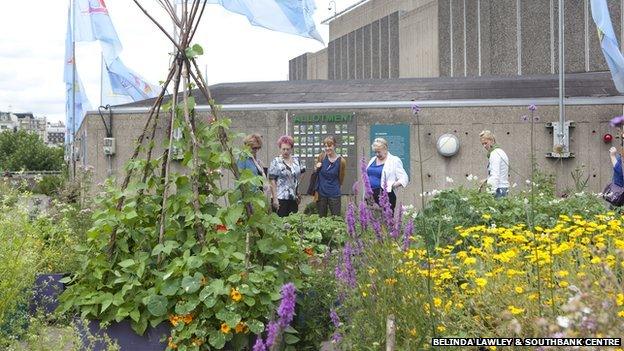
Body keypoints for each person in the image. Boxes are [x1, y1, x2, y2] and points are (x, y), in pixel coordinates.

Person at [367, 137, 408, 211]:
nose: (377, 154)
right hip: (370, 196)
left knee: (386, 220)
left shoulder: (394, 160)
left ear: (385, 149)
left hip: (385, 195)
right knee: (371, 220)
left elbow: (404, 178)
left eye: (379, 152)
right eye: (375, 152)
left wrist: (391, 185)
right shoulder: (372, 160)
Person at [269, 135, 305, 217]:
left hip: (293, 197)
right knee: (281, 223)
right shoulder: (276, 162)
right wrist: (275, 198)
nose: (285, 151)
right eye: (283, 149)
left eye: (288, 149)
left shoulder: (296, 160)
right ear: (280, 148)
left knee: (292, 222)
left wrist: (297, 186)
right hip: (280, 197)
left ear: (291, 149)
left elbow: (302, 172)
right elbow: (272, 180)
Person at [314, 136, 347, 217]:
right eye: (325, 146)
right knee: (321, 219)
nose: (327, 148)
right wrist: (316, 167)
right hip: (321, 193)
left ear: (334, 145)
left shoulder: (341, 161)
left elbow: (341, 178)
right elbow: (315, 172)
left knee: (336, 219)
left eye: (329, 146)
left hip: (334, 193)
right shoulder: (321, 157)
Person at [479, 130, 509, 198]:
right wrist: (486, 180)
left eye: (485, 143)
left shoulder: (495, 154)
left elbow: (495, 175)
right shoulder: (500, 152)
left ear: (492, 141)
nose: (484, 146)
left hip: (498, 190)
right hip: (503, 188)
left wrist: (490, 193)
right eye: (482, 144)